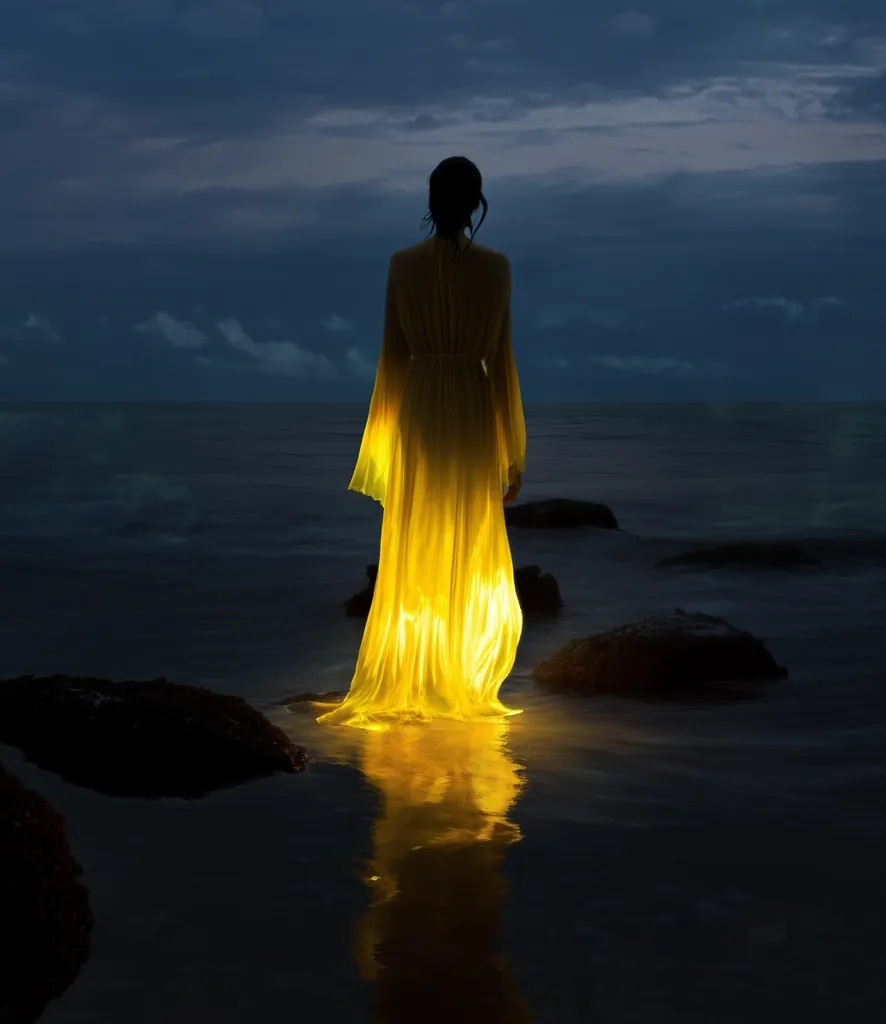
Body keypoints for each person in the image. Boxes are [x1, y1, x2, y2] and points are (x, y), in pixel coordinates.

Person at [317, 156, 527, 731]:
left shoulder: (402, 265)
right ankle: (454, 670)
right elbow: (502, 360)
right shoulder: (497, 267)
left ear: (431, 202)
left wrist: (384, 445)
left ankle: (421, 667)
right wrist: (514, 452)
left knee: (419, 534)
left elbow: (392, 358)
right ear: (476, 203)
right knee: (467, 531)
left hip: (420, 406)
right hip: (473, 407)